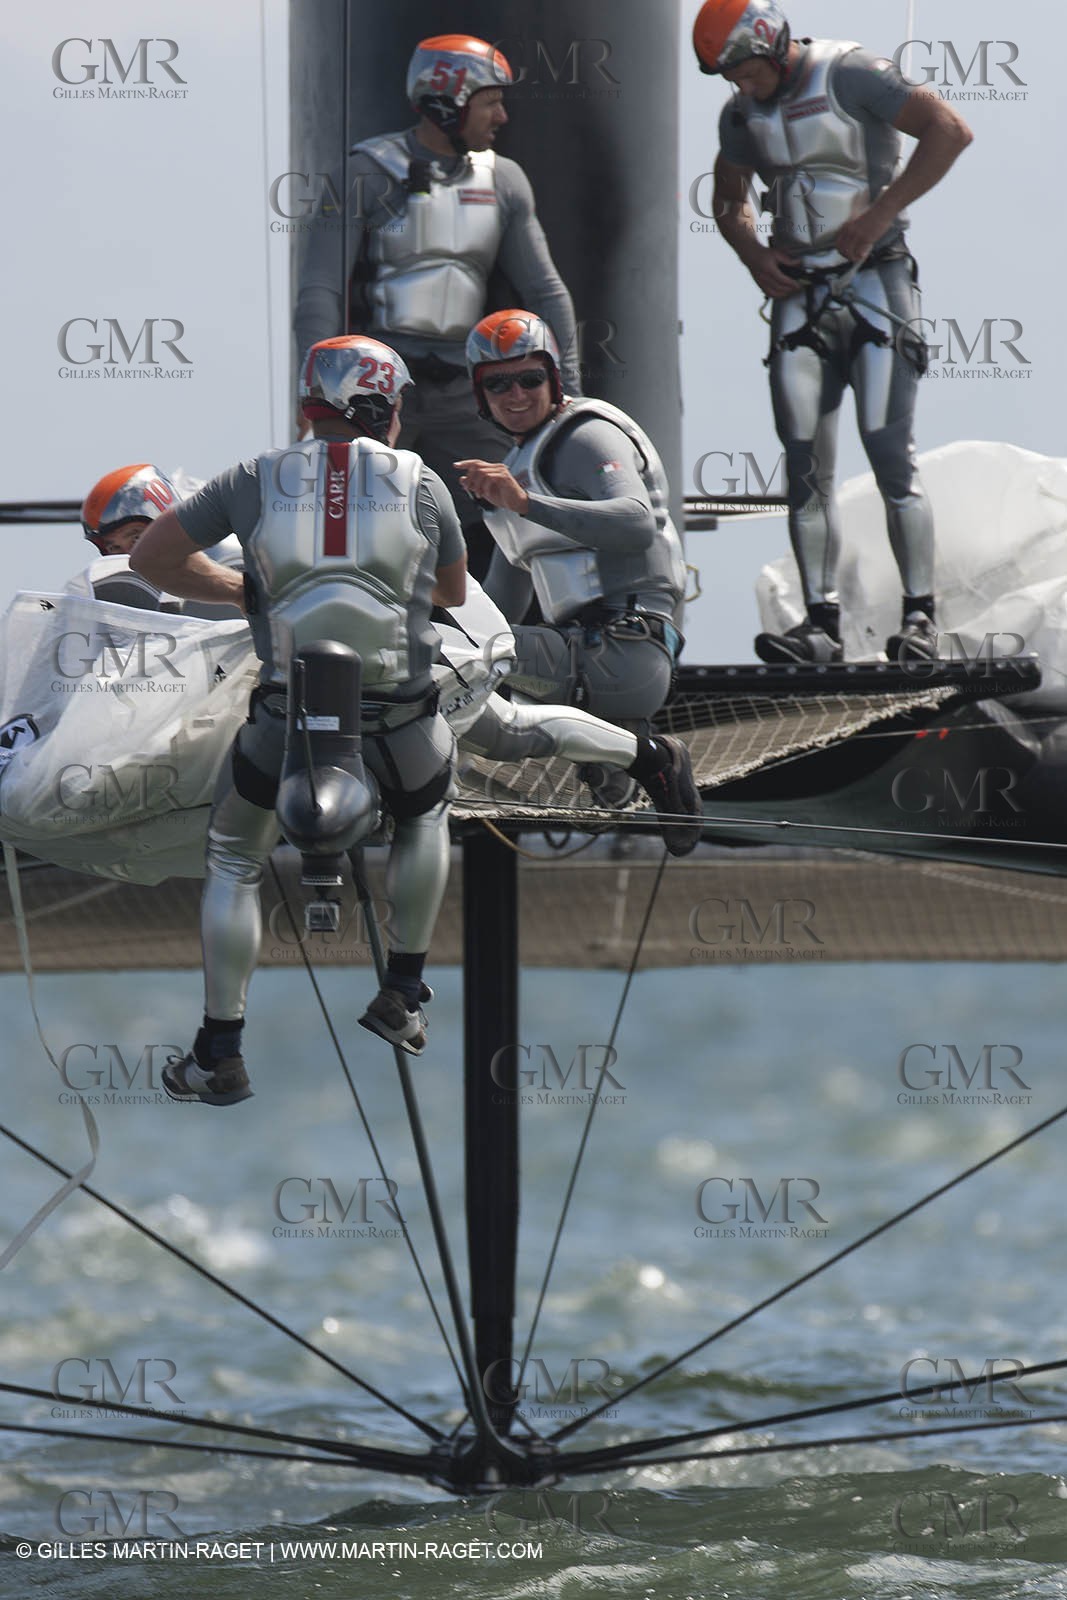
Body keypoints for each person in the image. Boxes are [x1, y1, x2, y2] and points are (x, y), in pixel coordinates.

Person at [129, 335, 467, 1104]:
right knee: (425, 814)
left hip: (284, 729)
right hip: (400, 727)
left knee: (233, 857)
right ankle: (404, 991)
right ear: (379, 406)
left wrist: (244, 591)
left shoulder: (253, 478)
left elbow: (152, 557)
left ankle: (220, 1047)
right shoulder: (424, 483)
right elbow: (449, 592)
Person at [697, 0, 973, 663]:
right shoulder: (740, 113)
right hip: (800, 299)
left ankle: (918, 620)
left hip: (877, 283)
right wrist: (754, 254)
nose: (740, 85)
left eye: (744, 70)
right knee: (804, 469)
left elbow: (948, 130)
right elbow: (728, 196)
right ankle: (817, 624)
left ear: (770, 43)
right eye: (727, 75)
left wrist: (878, 215)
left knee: (889, 456)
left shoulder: (849, 74)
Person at [293, 33, 581, 576]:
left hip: (463, 385)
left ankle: (497, 637)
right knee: (346, 512)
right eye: (491, 100)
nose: (501, 115)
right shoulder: (367, 171)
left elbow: (545, 291)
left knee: (515, 504)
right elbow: (319, 289)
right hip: (376, 390)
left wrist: (570, 391)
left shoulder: (505, 179)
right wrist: (313, 389)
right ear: (448, 99)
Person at [456, 310, 688, 757]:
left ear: (553, 380)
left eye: (529, 378)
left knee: (434, 654)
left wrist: (524, 503)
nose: (516, 394)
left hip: (623, 654)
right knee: (441, 647)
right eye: (498, 384)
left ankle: (653, 759)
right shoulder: (518, 467)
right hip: (573, 659)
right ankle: (631, 764)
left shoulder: (587, 435)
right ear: (480, 393)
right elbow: (498, 610)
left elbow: (637, 524)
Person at [79, 463, 243, 618]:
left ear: (165, 523)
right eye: (114, 548)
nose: (130, 555)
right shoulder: (118, 611)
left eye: (136, 537)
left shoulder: (231, 557)